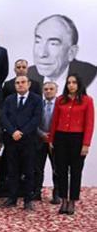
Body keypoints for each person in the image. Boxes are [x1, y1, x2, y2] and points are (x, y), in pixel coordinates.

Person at [49, 75, 94, 215]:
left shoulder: (87, 100)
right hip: (61, 138)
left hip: (77, 139)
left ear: (79, 84)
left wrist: (86, 144)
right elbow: (54, 121)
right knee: (61, 170)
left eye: (74, 82)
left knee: (75, 171)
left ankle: (72, 201)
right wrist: (51, 139)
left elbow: (89, 124)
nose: (71, 85)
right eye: (69, 82)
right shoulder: (60, 100)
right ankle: (63, 200)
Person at [0, 75, 43, 211]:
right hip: (11, 140)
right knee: (12, 170)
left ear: (29, 84)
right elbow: (3, 117)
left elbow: (36, 119)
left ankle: (28, 200)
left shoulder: (36, 99)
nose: (20, 84)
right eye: (17, 83)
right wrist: (13, 131)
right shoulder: (9, 99)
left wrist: (21, 132)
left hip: (28, 140)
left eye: (23, 82)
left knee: (29, 171)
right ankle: (12, 198)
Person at [28, 14, 97, 88]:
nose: (42, 54)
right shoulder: (27, 75)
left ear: (71, 53)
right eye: (38, 41)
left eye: (53, 44)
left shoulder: (91, 75)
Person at [34, 81, 60, 204]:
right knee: (38, 168)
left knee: (57, 168)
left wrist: (51, 137)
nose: (48, 91)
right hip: (40, 140)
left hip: (55, 142)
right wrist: (42, 134)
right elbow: (33, 121)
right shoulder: (38, 104)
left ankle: (57, 194)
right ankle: (36, 192)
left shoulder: (61, 105)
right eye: (46, 89)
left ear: (56, 90)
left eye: (51, 89)